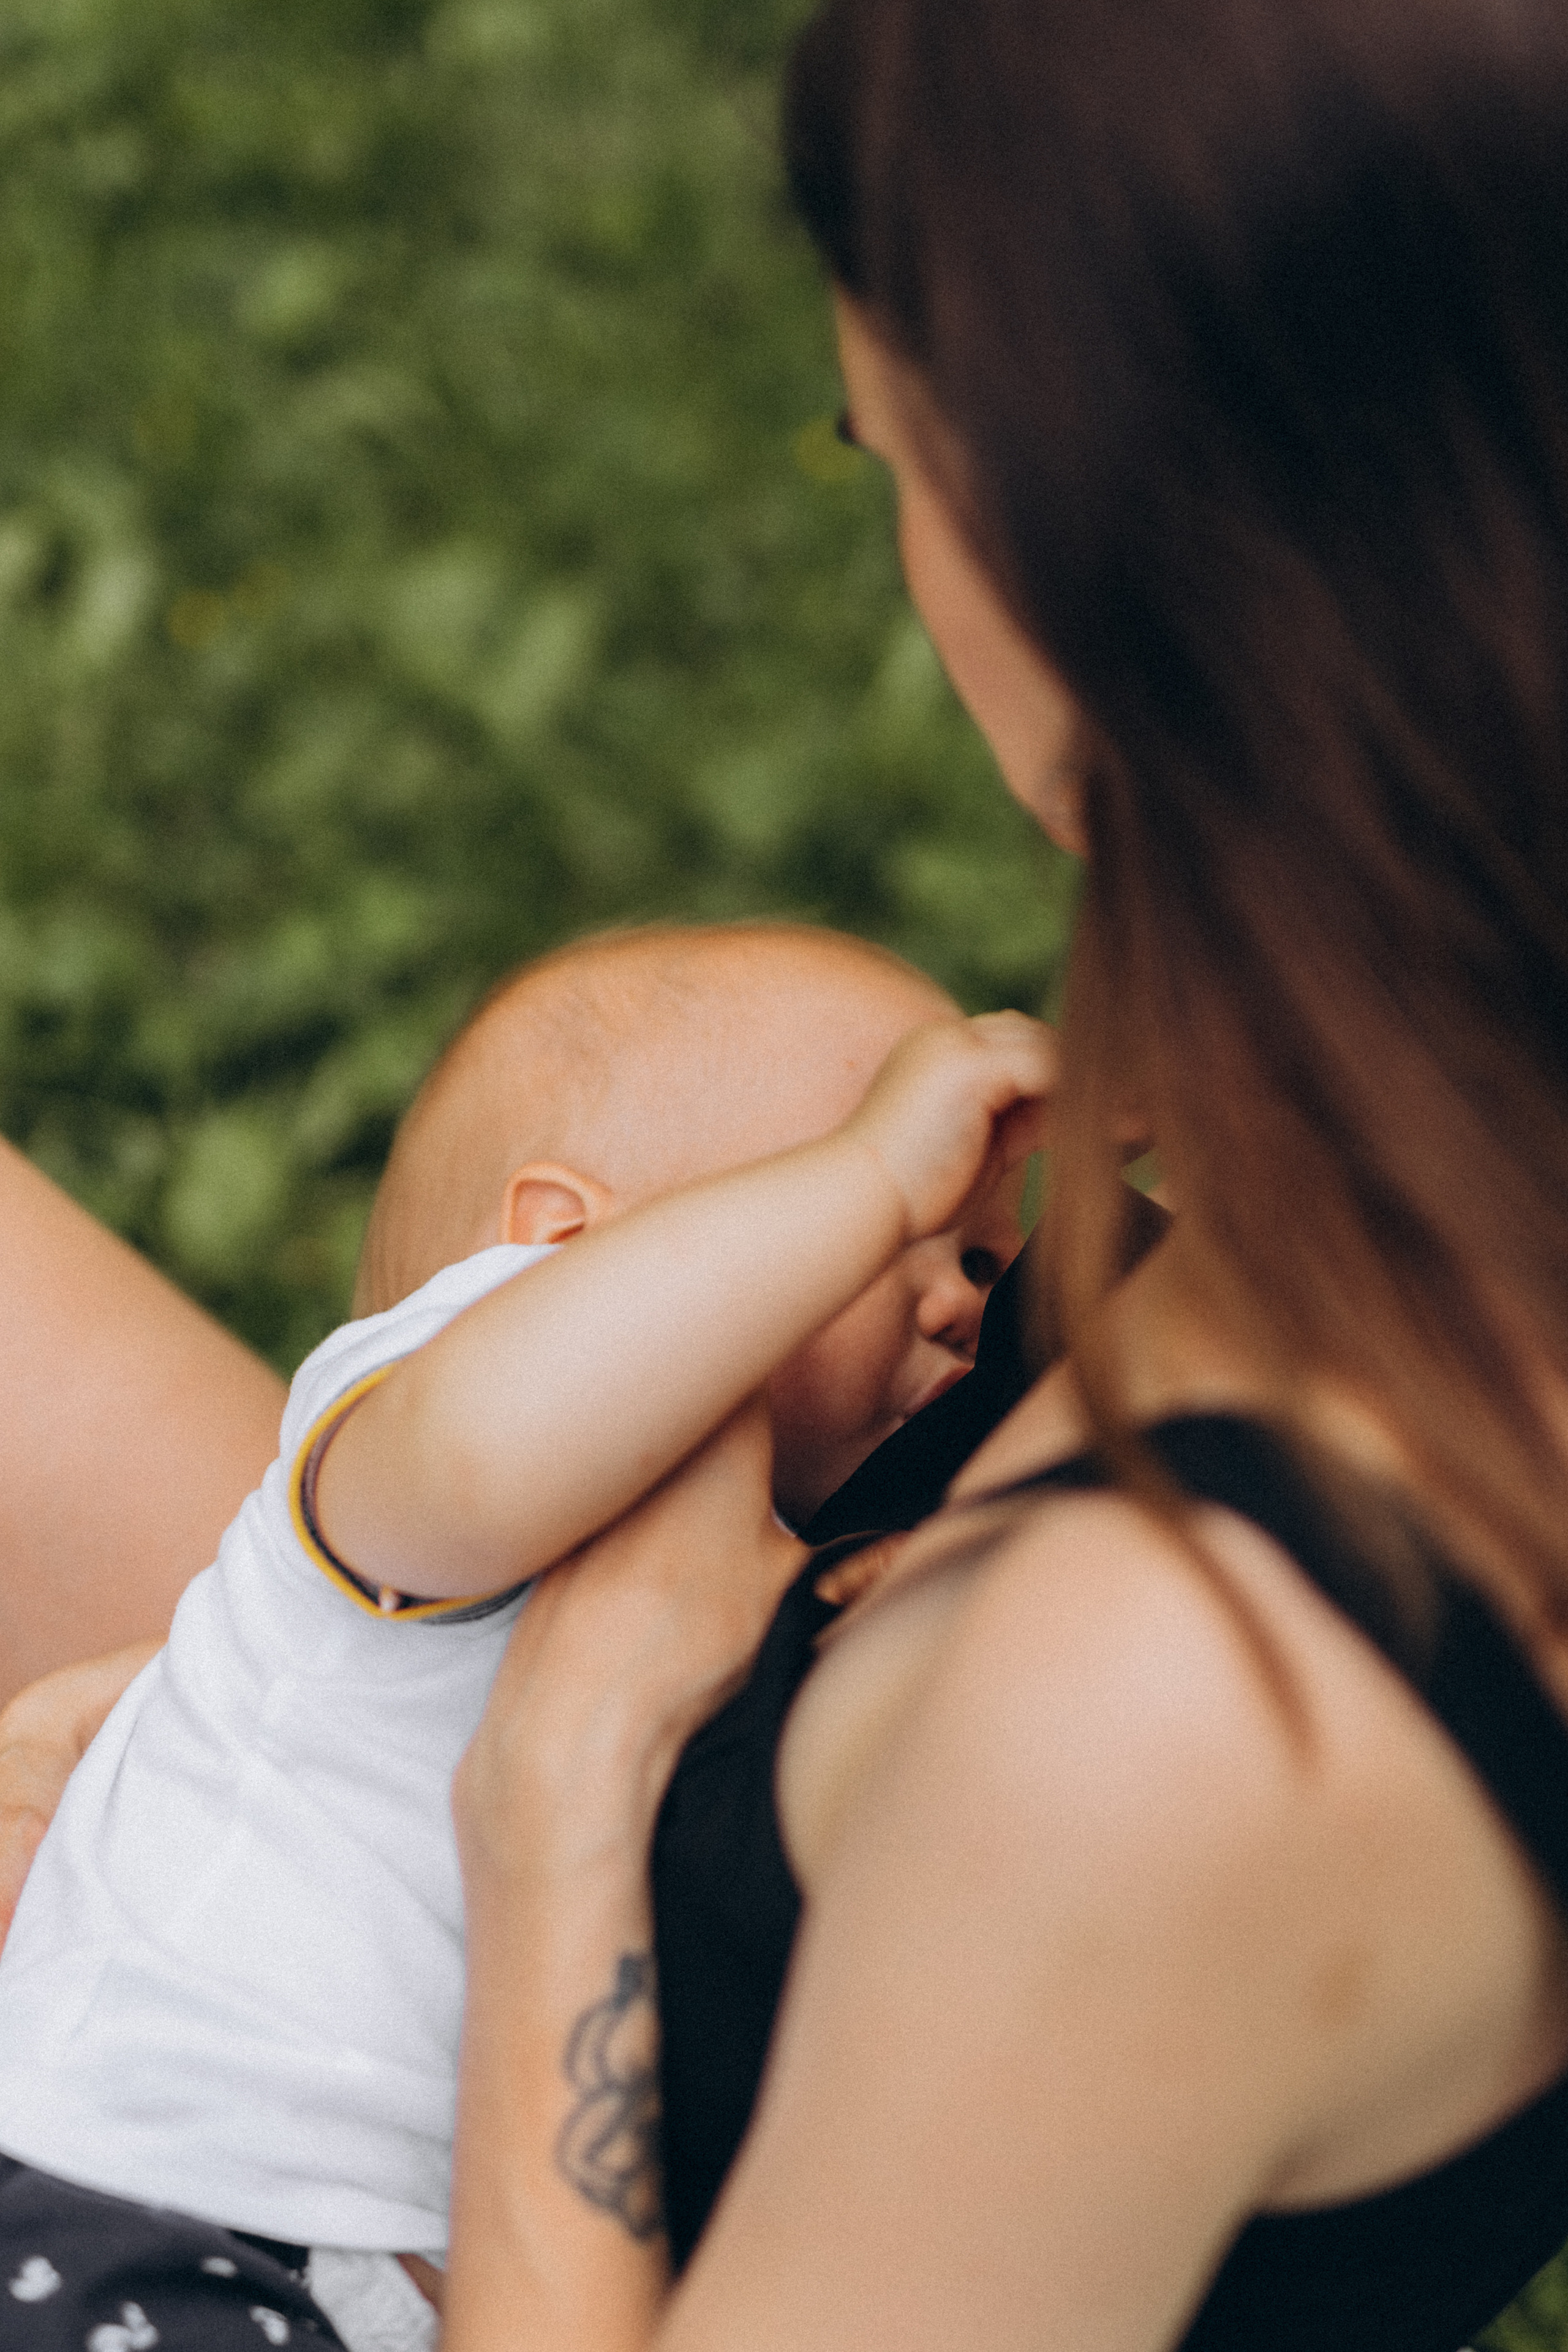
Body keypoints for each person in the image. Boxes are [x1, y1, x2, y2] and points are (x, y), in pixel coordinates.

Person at [414, 2, 1568, 2349]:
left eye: (897, 454)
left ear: (1083, 526)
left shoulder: (1173, 1710)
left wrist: (557, 1791)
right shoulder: (1431, 1079)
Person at [0, 918, 1049, 2351]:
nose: (954, 1304)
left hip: (336, 2271)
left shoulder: (746, 1562)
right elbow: (499, 1447)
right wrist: (872, 1175)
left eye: (982, 1263)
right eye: (875, 1220)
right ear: (555, 1247)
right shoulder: (414, 1422)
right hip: (128, 2188)